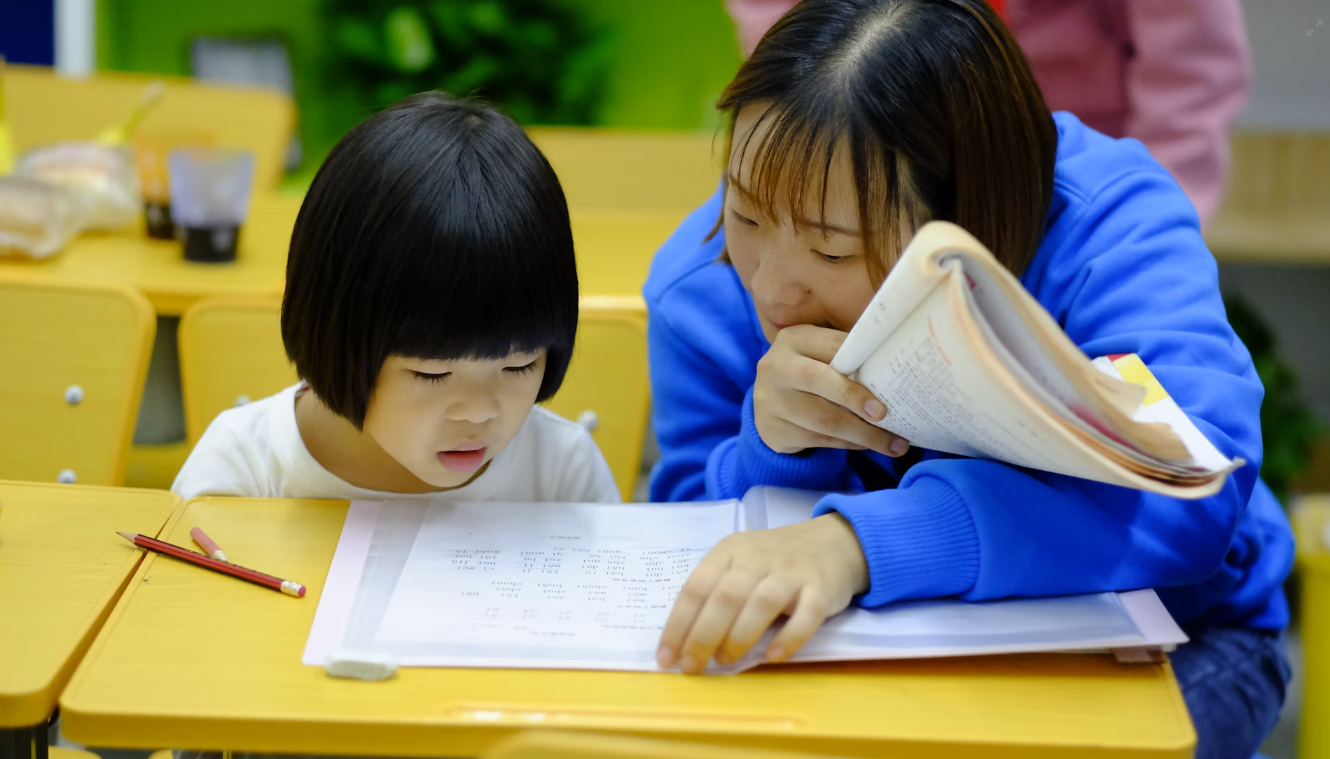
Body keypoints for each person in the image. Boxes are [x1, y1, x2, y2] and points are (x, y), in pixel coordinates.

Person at [645, 3, 1290, 757]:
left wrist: (855, 545)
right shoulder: (699, 284)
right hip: (852, 664)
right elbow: (686, 540)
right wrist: (773, 449)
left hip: (1177, 643)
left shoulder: (1109, 226)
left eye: (833, 252)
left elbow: (1191, 495)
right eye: (747, 215)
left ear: (972, 219)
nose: (775, 290)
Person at [172, 92, 619, 505]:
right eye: (432, 373)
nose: (479, 412)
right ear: (335, 332)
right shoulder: (244, 471)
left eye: (520, 366)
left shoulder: (563, 472)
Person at [725, 0, 1253, 229]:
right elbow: (792, 40)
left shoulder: (1107, 216)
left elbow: (1190, 76)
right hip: (869, 167)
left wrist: (1150, 224)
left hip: (1082, 186)